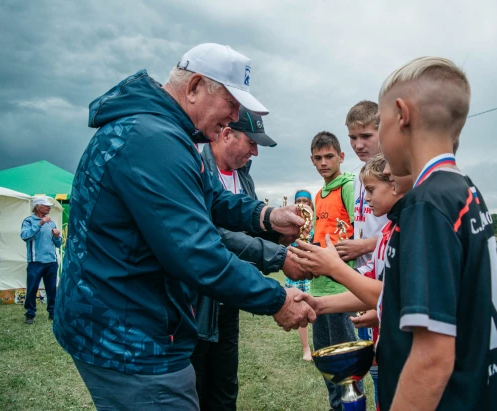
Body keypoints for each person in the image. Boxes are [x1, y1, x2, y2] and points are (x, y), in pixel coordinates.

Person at [53, 43, 315, 410]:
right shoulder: (152, 140)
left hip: (124, 320)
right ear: (193, 87)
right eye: (231, 102)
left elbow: (210, 198)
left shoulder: (161, 133)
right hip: (130, 338)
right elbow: (196, 252)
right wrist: (276, 298)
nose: (235, 114)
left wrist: (266, 217)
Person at [375, 57, 497, 410]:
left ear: (402, 114)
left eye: (379, 122)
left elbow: (432, 360)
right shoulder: (463, 189)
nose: (378, 137)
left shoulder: (427, 204)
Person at [192, 106, 309, 410]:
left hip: (229, 297)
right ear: (227, 134)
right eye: (252, 142)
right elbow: (213, 235)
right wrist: (278, 256)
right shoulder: (196, 167)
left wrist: (278, 234)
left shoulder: (244, 179)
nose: (255, 152)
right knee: (194, 387)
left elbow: (247, 226)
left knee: (225, 386)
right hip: (195, 302)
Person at [336, 101, 388, 405]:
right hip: (365, 279)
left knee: (385, 366)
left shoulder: (395, 175)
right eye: (352, 137)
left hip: (388, 282)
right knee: (371, 361)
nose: (358, 144)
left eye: (366, 136)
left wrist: (363, 246)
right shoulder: (359, 177)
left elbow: (402, 229)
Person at [309, 131, 358, 411]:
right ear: (312, 161)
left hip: (342, 288)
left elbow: (360, 231)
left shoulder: (348, 186)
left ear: (341, 156)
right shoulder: (319, 195)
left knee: (347, 363)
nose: (324, 162)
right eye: (318, 158)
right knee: (325, 359)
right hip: (319, 288)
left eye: (329, 156)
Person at [20, 196, 62, 324]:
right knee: (32, 288)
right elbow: (25, 236)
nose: (49, 207)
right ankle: (30, 314)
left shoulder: (52, 222)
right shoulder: (28, 221)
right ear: (38, 206)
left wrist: (57, 236)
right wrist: (40, 223)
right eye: (46, 205)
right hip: (35, 262)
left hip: (51, 261)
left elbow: (58, 244)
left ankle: (53, 312)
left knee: (51, 289)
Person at [285, 189, 315, 361]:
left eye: (306, 201)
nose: (303, 204)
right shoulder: (290, 227)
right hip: (296, 273)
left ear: (311, 204)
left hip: (313, 273)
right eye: (299, 201)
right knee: (300, 310)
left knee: (317, 307)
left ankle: (318, 344)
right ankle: (306, 349)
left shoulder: (316, 226)